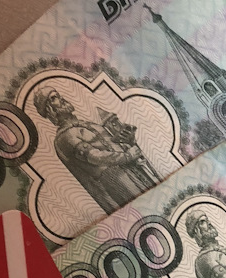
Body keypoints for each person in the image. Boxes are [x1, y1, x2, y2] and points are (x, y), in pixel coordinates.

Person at [31, 86, 159, 212]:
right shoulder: (64, 137)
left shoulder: (86, 124)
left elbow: (109, 144)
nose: (61, 98)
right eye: (54, 98)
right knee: (143, 208)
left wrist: (127, 141)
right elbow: (94, 156)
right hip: (114, 178)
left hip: (128, 168)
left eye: (58, 95)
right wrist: (127, 156)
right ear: (49, 109)